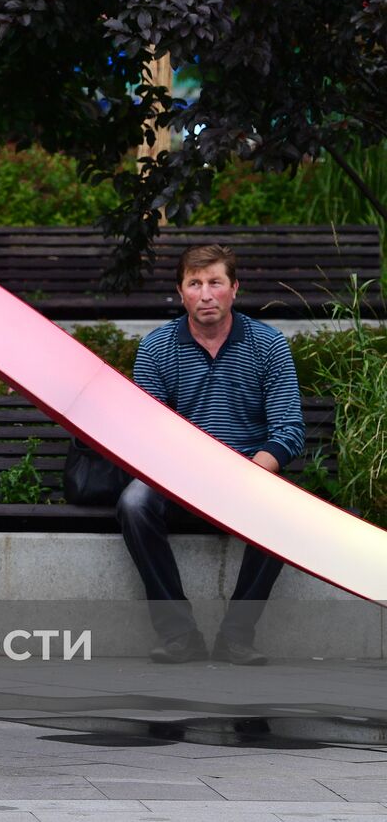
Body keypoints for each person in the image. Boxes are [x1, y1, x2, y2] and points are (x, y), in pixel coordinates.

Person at [117, 244, 305, 667]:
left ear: (234, 289)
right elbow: (147, 437)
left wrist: (249, 475)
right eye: (195, 283)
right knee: (133, 502)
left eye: (215, 282)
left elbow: (289, 431)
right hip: (178, 482)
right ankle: (179, 634)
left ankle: (237, 635)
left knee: (287, 511)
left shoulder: (268, 345)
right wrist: (191, 476)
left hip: (246, 479)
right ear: (181, 292)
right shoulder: (156, 348)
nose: (206, 294)